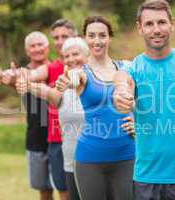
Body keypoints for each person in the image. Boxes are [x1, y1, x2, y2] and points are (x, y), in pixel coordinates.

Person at [113, 0, 175, 199]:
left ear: (172, 24)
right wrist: (121, 93)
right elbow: (122, 82)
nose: (156, 29)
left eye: (161, 22)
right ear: (139, 28)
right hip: (147, 180)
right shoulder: (133, 69)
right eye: (149, 24)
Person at [56, 16, 135, 200]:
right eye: (91, 35)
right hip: (90, 158)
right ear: (85, 38)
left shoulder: (127, 67)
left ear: (110, 38)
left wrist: (137, 121)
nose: (97, 41)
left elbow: (144, 102)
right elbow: (75, 77)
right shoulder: (82, 72)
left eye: (102, 35)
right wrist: (68, 80)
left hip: (127, 155)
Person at [4, 19, 77, 200]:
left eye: (65, 37)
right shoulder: (51, 68)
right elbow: (28, 76)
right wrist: (11, 76)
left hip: (79, 137)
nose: (60, 41)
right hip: (50, 139)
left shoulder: (83, 65)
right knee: (56, 189)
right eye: (57, 38)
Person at [0, 31, 54, 200]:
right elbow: (12, 76)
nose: (37, 48)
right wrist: (2, 76)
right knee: (44, 189)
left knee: (64, 187)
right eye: (32, 46)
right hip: (35, 137)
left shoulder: (58, 68)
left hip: (59, 136)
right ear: (27, 51)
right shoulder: (23, 72)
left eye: (40, 44)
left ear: (48, 48)